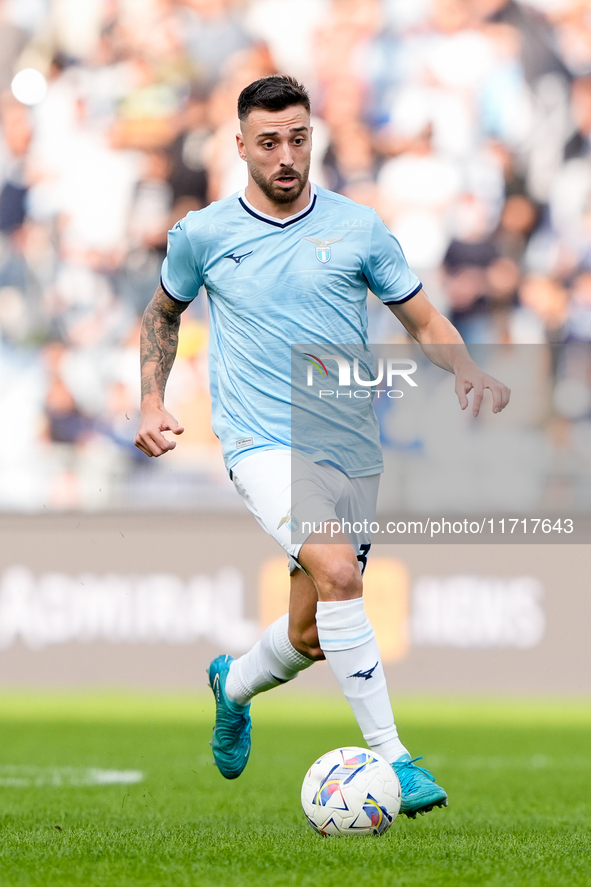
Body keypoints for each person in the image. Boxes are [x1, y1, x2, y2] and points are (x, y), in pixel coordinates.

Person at [134, 75, 510, 818]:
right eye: (268, 141)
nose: (285, 155)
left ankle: (231, 683)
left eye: (297, 138)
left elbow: (424, 321)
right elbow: (161, 314)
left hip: (345, 443)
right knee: (338, 568)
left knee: (310, 631)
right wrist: (151, 398)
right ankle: (395, 760)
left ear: (314, 139)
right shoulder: (203, 234)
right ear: (239, 146)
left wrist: (463, 364)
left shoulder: (359, 228)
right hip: (262, 442)